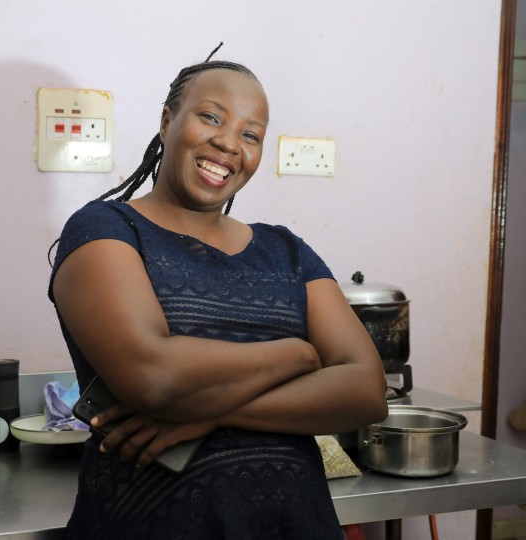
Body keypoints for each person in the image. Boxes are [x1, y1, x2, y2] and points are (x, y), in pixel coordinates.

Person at [48, 45, 388, 540]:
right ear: (167, 122)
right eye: (211, 117)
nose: (230, 144)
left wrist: (205, 414)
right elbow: (154, 376)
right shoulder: (106, 229)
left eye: (250, 135)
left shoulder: (287, 251)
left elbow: (365, 390)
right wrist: (299, 353)